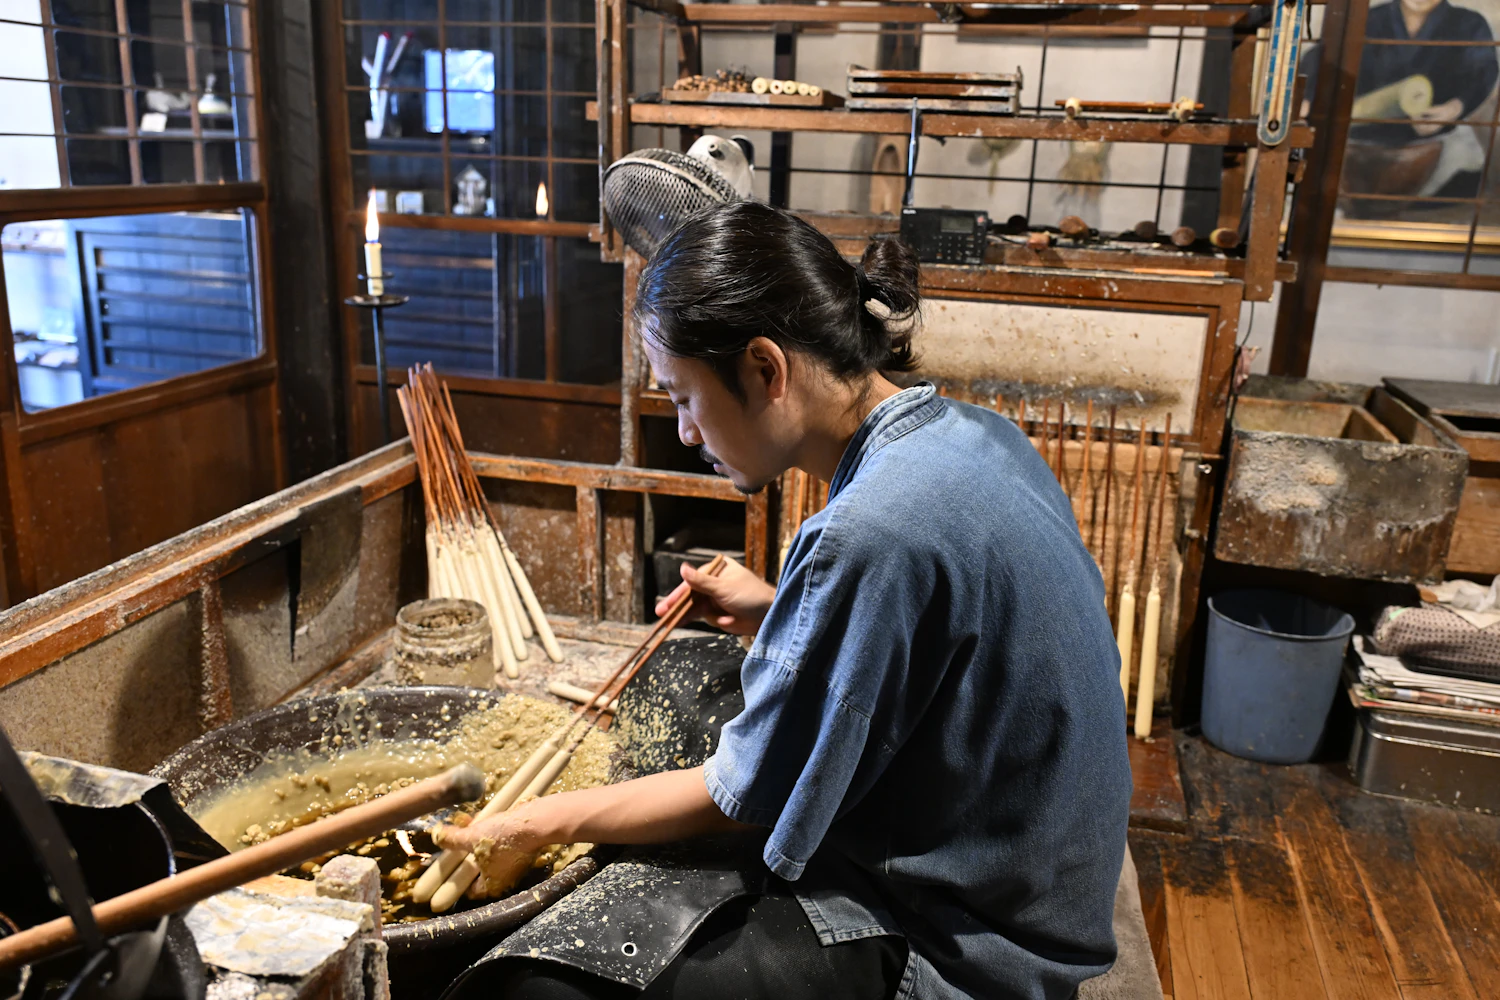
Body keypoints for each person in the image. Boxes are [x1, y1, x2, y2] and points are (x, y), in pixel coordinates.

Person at [436, 202, 1132, 1000]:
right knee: (693, 676)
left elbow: (747, 797)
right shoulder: (974, 435)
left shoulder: (869, 530)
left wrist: (540, 821)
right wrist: (780, 611)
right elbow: (948, 647)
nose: (688, 433)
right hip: (1019, 871)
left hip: (967, 942)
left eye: (685, 398)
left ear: (766, 369)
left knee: (532, 991)